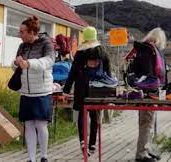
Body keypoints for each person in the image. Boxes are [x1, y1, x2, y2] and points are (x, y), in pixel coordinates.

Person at [63, 26, 111, 156]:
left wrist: (66, 90)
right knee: (95, 117)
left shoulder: (80, 53)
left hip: (81, 88)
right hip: (97, 89)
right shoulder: (103, 52)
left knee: (82, 116)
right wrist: (109, 92)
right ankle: (93, 144)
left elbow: (72, 73)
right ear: (95, 37)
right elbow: (108, 74)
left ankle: (83, 142)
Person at [13, 15, 55, 162]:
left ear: (31, 32)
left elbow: (49, 61)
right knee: (28, 125)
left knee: (41, 125)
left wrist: (29, 63)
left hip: (42, 91)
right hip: (26, 92)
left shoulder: (46, 43)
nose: (20, 34)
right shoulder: (22, 46)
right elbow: (16, 66)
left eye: (22, 31)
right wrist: (17, 63)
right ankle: (31, 159)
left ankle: (44, 156)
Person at [133, 28, 167, 162]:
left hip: (147, 91)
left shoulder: (145, 49)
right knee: (146, 121)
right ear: (159, 40)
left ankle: (146, 149)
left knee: (149, 121)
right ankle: (141, 154)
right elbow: (148, 73)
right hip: (148, 92)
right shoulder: (149, 50)